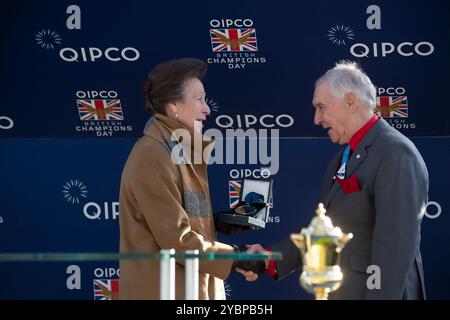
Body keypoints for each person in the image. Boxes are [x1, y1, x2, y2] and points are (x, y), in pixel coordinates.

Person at [238, 60, 429, 300]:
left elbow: (395, 249)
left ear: (350, 101)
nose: (317, 119)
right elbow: (327, 230)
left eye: (321, 107)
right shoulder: (343, 156)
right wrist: (271, 257)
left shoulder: (395, 152)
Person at [119, 58, 263, 300]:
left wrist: (217, 222)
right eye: (199, 99)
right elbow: (177, 240)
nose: (207, 108)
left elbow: (180, 222)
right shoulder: (153, 155)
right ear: (173, 105)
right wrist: (236, 257)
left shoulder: (178, 150)